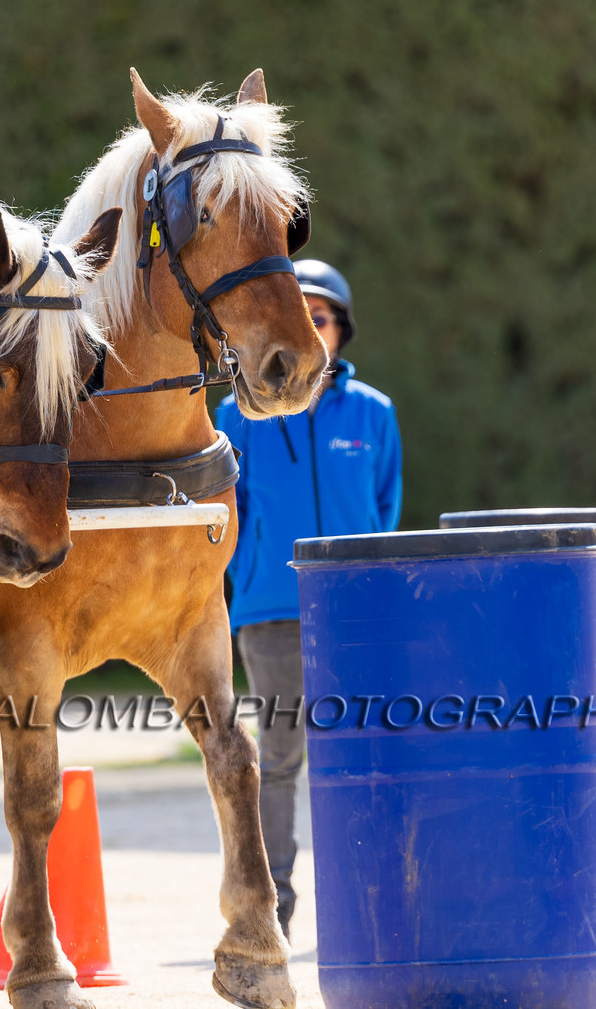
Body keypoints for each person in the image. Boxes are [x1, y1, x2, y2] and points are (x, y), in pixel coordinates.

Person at [215, 258, 402, 939]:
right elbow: (225, 511)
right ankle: (275, 909)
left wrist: (370, 582)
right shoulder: (235, 414)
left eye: (319, 315)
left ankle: (367, 901)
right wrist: (251, 571)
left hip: (358, 612)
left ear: (339, 328)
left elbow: (385, 506)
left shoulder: (375, 413)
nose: (308, 324)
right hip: (270, 612)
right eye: (298, 312)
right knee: (282, 756)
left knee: (359, 752)